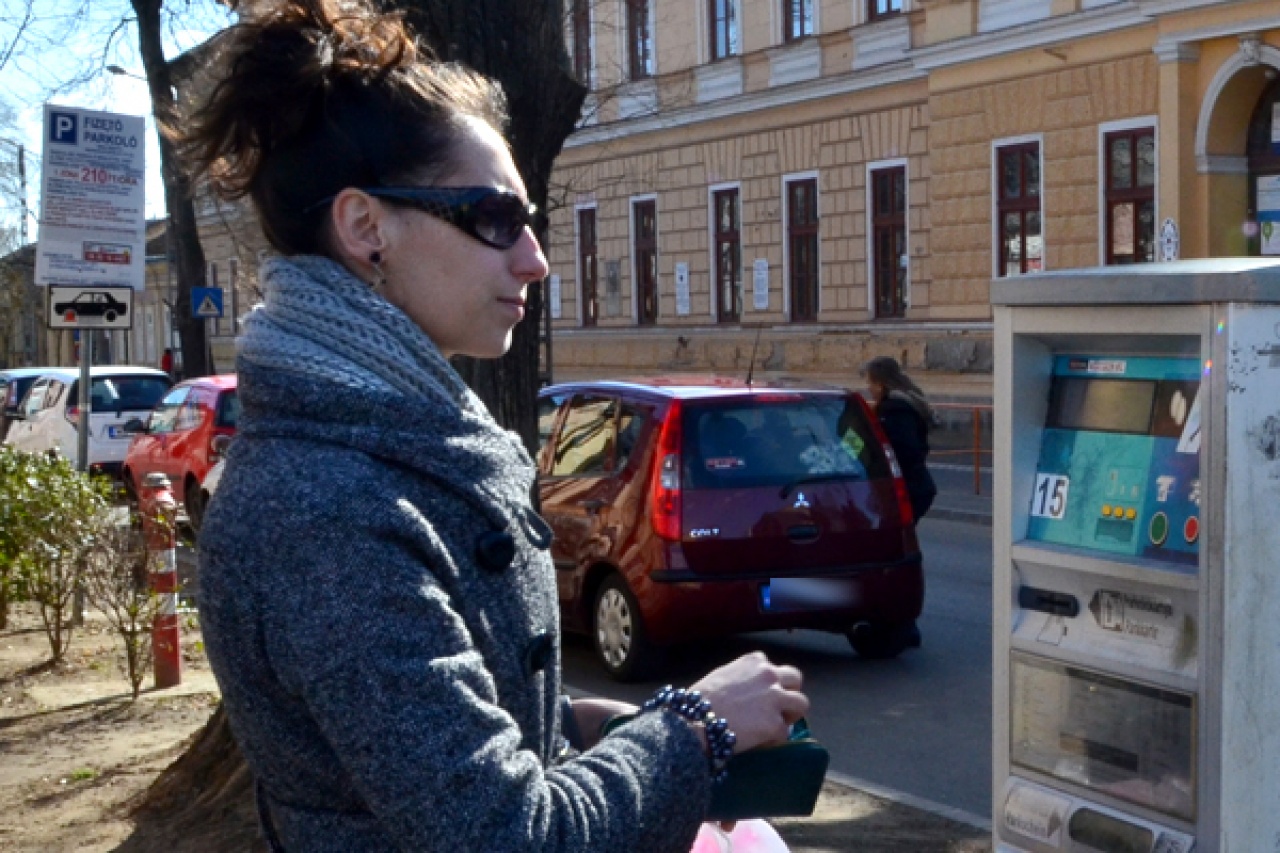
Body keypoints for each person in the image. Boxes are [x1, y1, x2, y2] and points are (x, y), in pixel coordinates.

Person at [184, 2, 809, 851]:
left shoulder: (394, 447)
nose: (536, 258)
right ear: (367, 227)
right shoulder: (323, 512)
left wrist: (619, 728)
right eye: (495, 218)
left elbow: (495, 742)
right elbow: (508, 835)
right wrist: (695, 727)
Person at [865, 356, 937, 523]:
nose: (868, 388)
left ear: (880, 385)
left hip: (906, 489)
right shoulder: (904, 403)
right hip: (915, 487)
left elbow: (903, 450)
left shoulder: (894, 411)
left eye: (870, 383)